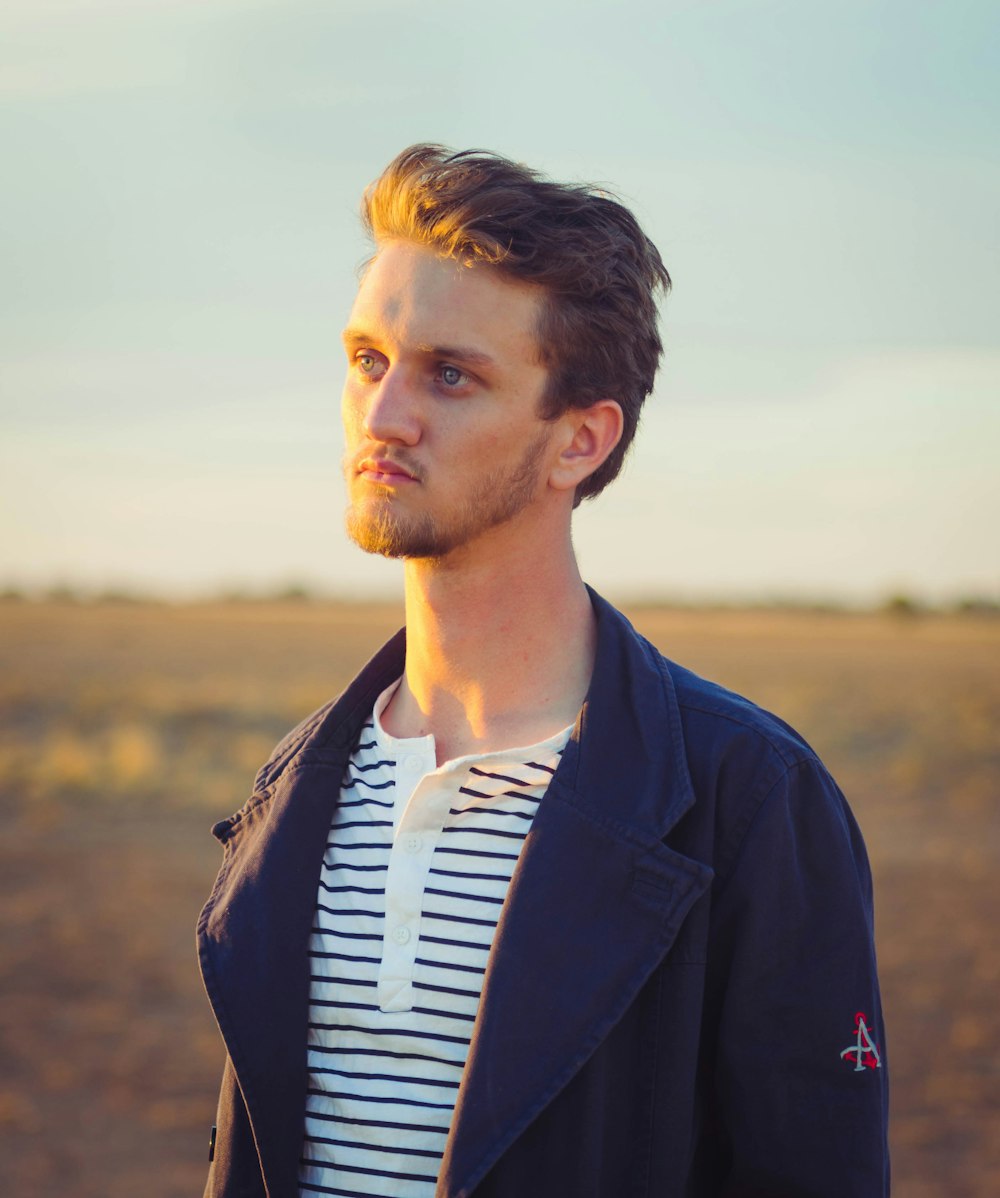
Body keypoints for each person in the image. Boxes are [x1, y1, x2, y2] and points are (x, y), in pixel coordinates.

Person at [198, 144, 889, 1198]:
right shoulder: (302, 780)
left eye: (451, 374)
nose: (382, 417)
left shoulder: (746, 796)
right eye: (367, 359)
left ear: (580, 440)